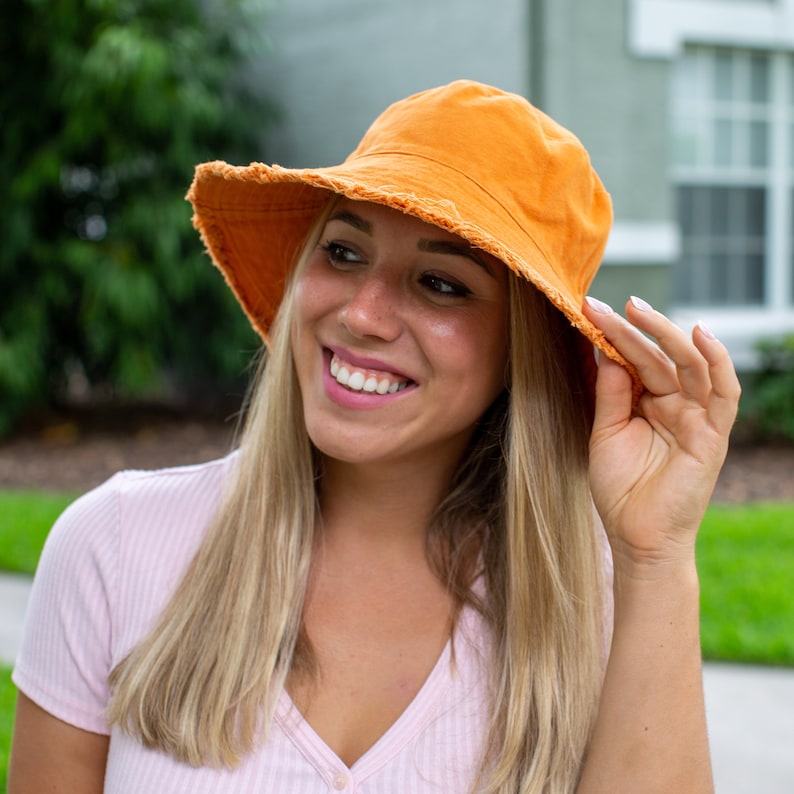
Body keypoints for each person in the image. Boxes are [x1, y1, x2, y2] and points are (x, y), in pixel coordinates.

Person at [8, 80, 739, 793]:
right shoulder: (114, 546)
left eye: (441, 283)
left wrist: (655, 556)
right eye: (344, 252)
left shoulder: (608, 602)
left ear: (525, 350)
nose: (363, 314)